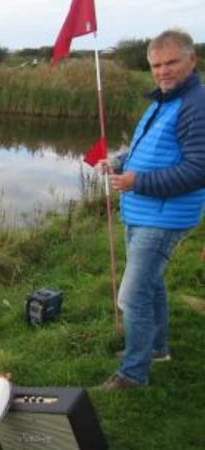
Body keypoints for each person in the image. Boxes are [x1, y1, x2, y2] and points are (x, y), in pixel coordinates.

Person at [97, 29, 205, 391]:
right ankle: (157, 348)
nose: (163, 71)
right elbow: (149, 151)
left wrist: (135, 182)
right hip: (143, 212)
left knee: (131, 295)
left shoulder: (196, 106)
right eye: (157, 65)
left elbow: (198, 170)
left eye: (172, 62)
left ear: (193, 60)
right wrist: (118, 162)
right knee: (151, 285)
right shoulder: (163, 101)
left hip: (164, 216)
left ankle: (133, 374)